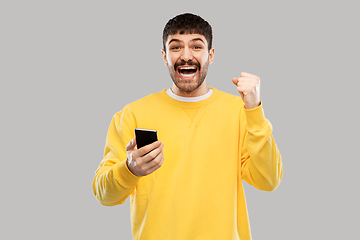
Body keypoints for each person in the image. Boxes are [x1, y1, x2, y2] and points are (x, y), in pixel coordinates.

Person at [93, 13, 283, 240]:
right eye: (175, 47)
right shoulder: (132, 115)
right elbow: (105, 196)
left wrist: (254, 110)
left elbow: (269, 180)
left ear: (210, 55)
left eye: (196, 46)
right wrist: (129, 170)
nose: (185, 56)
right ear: (164, 56)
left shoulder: (239, 111)